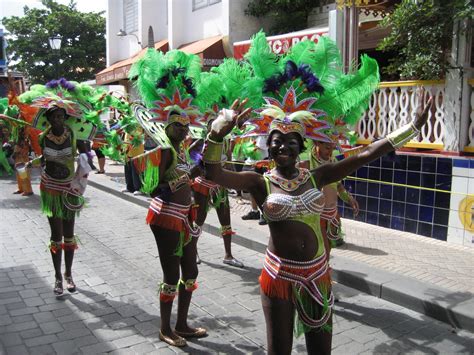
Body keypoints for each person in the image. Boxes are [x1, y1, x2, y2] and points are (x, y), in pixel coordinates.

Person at [201, 32, 432, 355]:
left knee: (320, 350)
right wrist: (215, 134)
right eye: (276, 139)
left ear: (302, 146)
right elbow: (213, 173)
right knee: (278, 351)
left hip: (318, 274)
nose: (282, 145)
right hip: (279, 276)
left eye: (291, 140)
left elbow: (365, 156)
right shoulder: (259, 182)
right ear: (270, 145)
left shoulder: (319, 175)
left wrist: (412, 128)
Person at [129, 44, 207, 347]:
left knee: (191, 269)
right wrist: (186, 178)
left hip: (184, 217)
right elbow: (153, 186)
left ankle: (183, 323)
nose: (184, 130)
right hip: (165, 217)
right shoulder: (162, 151)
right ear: (167, 126)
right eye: (177, 125)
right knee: (172, 273)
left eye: (186, 126)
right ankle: (165, 328)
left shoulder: (184, 150)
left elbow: (189, 176)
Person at [28, 105, 88, 296]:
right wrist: (32, 163)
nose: (57, 120)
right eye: (54, 117)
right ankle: (57, 278)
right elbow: (43, 158)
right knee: (56, 235)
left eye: (61, 116)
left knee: (69, 235)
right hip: (50, 189)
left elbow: (86, 156)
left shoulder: (73, 134)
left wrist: (87, 157)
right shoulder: (43, 136)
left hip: (69, 188)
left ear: (65, 118)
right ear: (49, 118)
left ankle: (68, 274)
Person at [310, 140, 359, 249]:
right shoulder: (308, 163)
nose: (330, 151)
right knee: (321, 250)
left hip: (332, 214)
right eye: (327, 148)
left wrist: (349, 199)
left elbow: (338, 186)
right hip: (316, 215)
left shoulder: (333, 161)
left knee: (328, 249)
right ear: (317, 143)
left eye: (333, 148)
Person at [12, 128, 33, 196]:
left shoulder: (24, 139)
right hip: (19, 158)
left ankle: (28, 190)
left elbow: (23, 149)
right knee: (19, 174)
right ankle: (21, 188)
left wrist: (16, 152)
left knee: (23, 175)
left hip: (22, 158)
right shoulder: (19, 138)